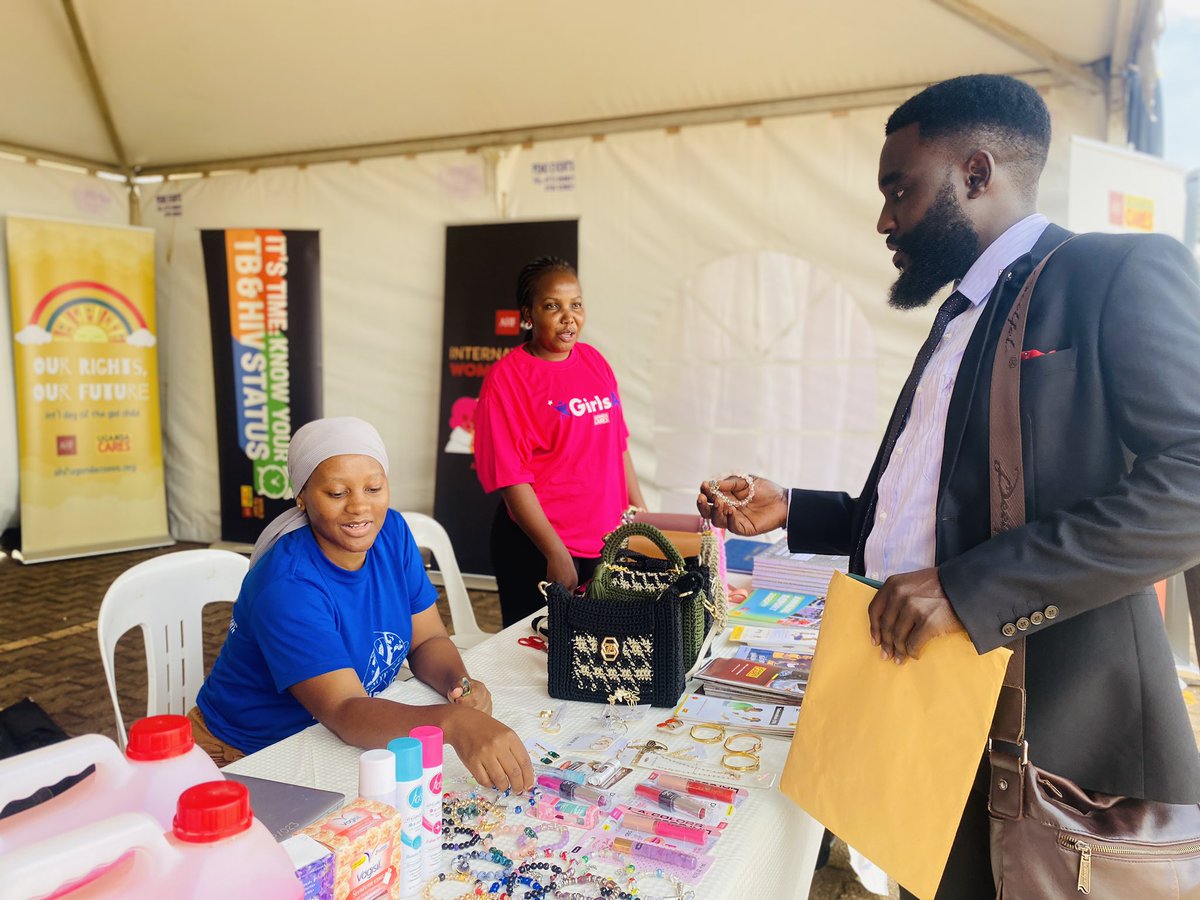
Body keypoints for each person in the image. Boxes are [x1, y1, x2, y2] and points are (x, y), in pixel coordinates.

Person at [698, 74, 1200, 898]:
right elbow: (930, 513)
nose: (884, 217)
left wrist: (973, 590)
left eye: (901, 187)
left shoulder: (1114, 273)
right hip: (933, 725)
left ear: (975, 172)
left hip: (1059, 744)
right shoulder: (957, 314)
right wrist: (796, 509)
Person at [192, 417, 533, 793]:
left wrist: (459, 685)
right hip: (246, 755)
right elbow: (344, 709)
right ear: (302, 498)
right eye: (337, 493)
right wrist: (454, 725)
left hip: (321, 738)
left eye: (374, 488)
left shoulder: (392, 534)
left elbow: (428, 640)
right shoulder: (289, 584)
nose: (359, 507)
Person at [474, 257, 646, 626]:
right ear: (528, 314)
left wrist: (640, 519)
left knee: (602, 651)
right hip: (540, 549)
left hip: (607, 543)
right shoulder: (506, 380)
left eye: (576, 305)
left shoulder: (594, 361)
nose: (569, 317)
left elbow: (619, 448)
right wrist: (555, 551)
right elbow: (511, 478)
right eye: (553, 306)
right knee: (535, 658)